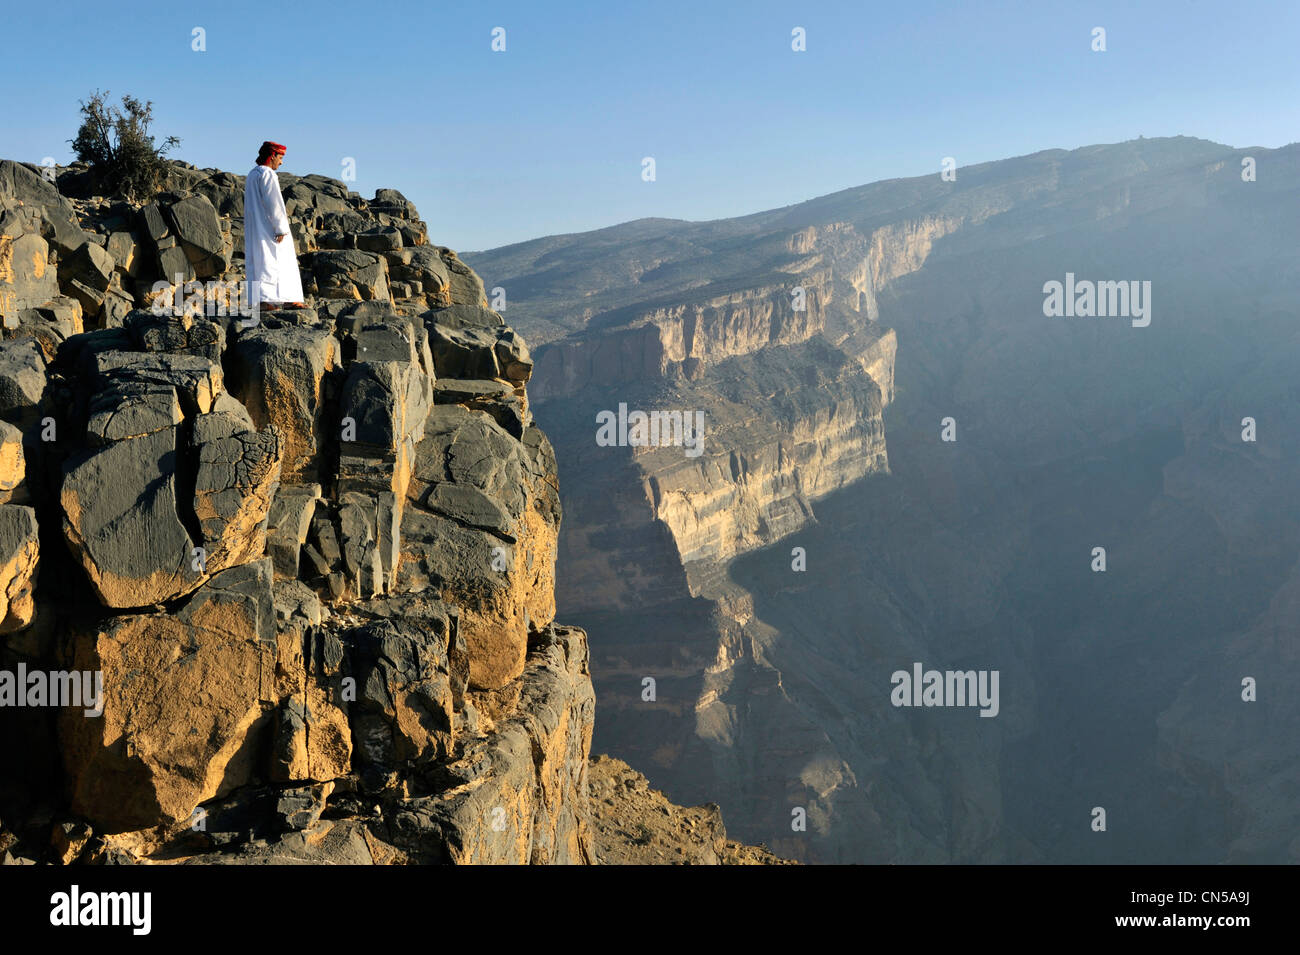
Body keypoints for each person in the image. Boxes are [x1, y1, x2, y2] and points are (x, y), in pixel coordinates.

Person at [244, 141, 305, 309]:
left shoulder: (252, 174)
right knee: (279, 261)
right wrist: (281, 228)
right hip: (269, 227)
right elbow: (274, 202)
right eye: (280, 157)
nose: (281, 162)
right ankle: (286, 299)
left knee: (259, 262)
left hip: (255, 227)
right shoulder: (268, 174)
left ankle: (262, 300)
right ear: (272, 156)